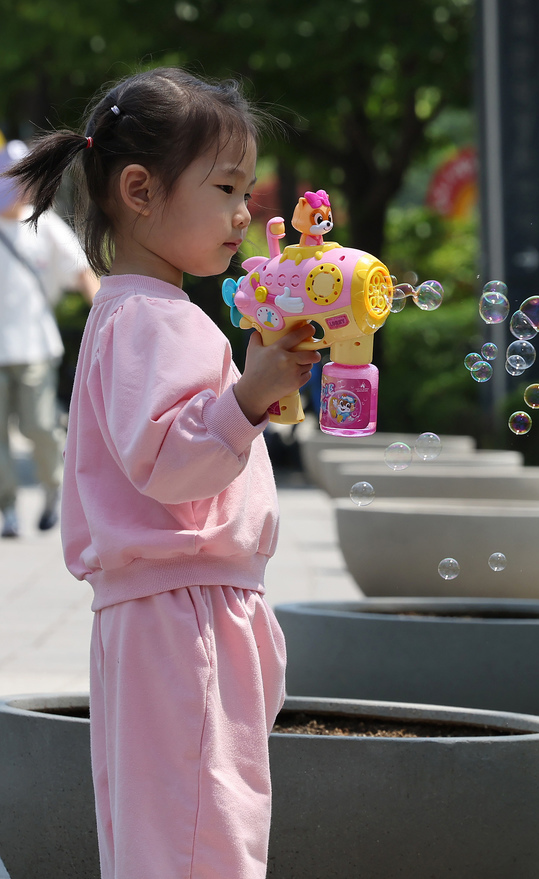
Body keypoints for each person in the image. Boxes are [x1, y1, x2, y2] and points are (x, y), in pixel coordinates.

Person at [4, 67, 317, 878]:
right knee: (202, 836)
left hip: (165, 611)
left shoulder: (132, 312)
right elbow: (172, 464)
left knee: (165, 831)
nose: (244, 211)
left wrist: (248, 389)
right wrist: (248, 397)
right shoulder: (155, 318)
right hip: (186, 614)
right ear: (140, 190)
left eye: (245, 191)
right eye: (226, 188)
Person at [0, 137, 100, 537]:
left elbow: (82, 272)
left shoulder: (44, 223)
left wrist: (109, 316)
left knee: (40, 426)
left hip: (35, 346)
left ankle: (53, 488)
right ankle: (7, 507)